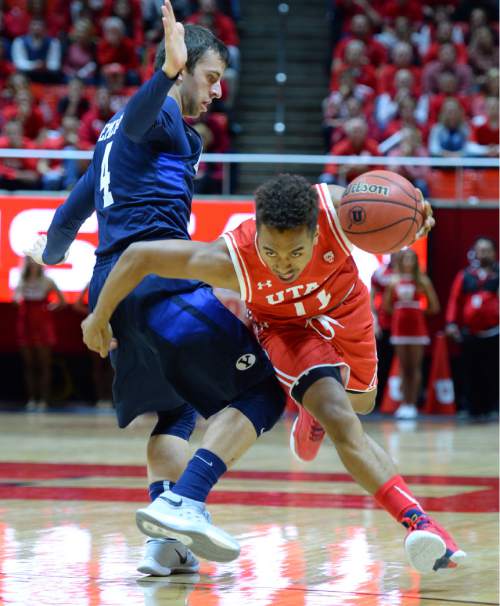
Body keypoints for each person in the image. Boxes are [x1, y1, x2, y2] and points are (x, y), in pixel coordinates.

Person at [81, 173, 467, 574]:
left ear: (318, 232)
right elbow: (138, 256)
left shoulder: (338, 212)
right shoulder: (231, 260)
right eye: (272, 252)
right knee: (342, 419)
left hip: (344, 308)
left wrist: (416, 217)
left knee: (363, 401)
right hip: (287, 331)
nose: (283, 264)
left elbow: (392, 206)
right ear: (258, 235)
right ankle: (419, 523)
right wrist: (98, 316)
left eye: (296, 253)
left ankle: (310, 414)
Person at [25, 2, 285, 576]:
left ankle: (163, 545)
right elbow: (150, 116)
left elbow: (70, 214)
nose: (217, 93)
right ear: (182, 67)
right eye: (211, 77)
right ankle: (185, 500)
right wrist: (166, 77)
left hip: (114, 292)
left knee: (175, 417)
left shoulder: (110, 137)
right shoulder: (165, 117)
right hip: (156, 282)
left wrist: (48, 255)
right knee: (266, 391)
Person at [445, 238, 499, 421]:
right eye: (480, 250)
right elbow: (454, 300)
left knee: (492, 372)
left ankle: (492, 408)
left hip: (494, 332)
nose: (484, 253)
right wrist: (451, 323)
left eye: (487, 250)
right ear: (475, 252)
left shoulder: (498, 274)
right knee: (470, 372)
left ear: (494, 253)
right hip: (470, 333)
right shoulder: (465, 275)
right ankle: (471, 408)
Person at [384, 249, 440, 419]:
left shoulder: (422, 281)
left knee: (414, 367)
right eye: (405, 258)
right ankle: (403, 404)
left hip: (417, 328)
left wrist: (417, 312)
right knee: (403, 367)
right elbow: (386, 306)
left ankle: (412, 404)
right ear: (399, 261)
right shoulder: (394, 281)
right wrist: (401, 313)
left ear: (416, 262)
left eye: (411, 258)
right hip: (400, 328)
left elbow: (434, 306)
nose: (408, 261)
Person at [13, 256, 66, 411]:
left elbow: (61, 301)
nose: (32, 262)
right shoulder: (21, 281)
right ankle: (31, 399)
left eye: (34, 260)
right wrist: (17, 299)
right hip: (26, 324)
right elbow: (16, 298)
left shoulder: (48, 281)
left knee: (44, 364)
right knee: (29, 365)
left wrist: (49, 309)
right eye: (29, 260)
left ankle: (44, 399)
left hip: (43, 324)